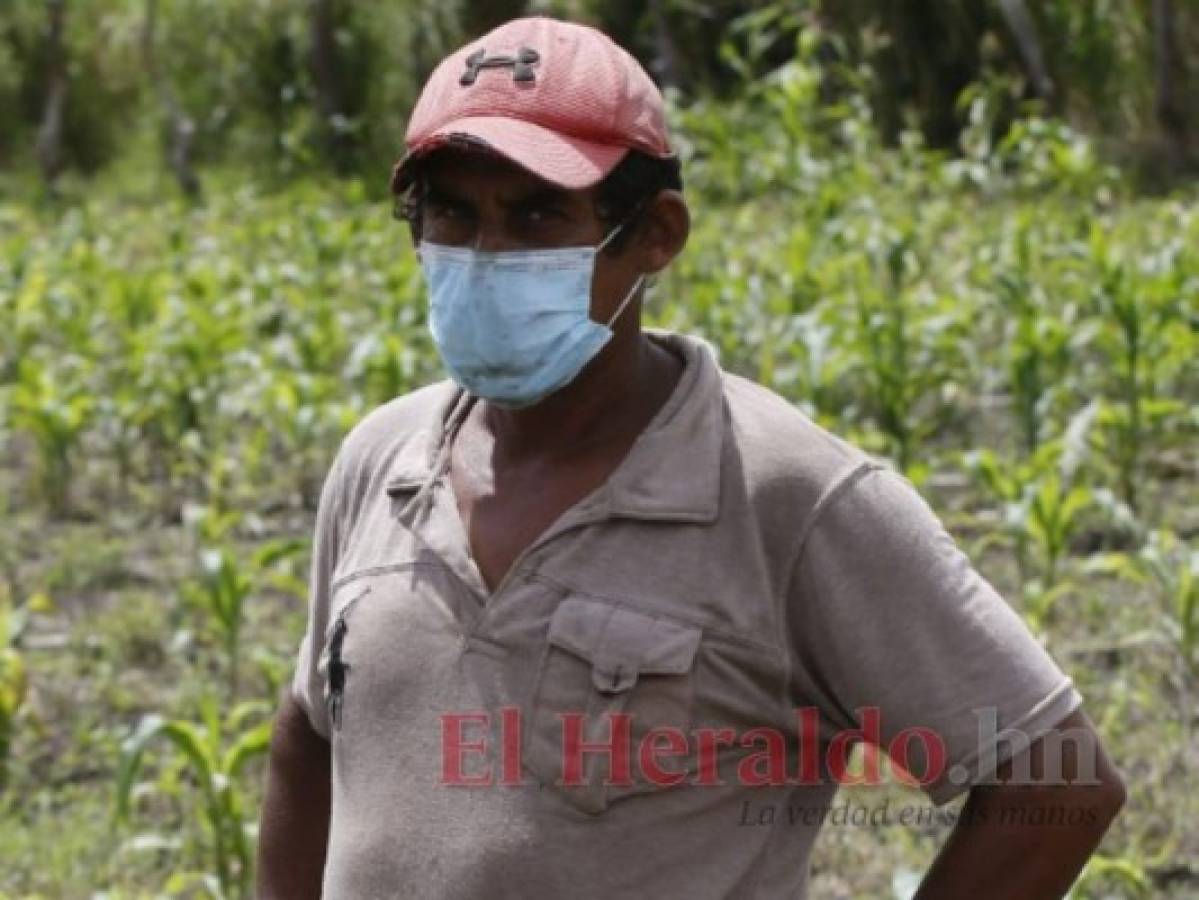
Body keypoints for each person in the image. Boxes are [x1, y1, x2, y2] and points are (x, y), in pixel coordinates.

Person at [257, 16, 1125, 899]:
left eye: (536, 215)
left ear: (655, 234)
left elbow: (1054, 781)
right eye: (452, 212)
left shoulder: (784, 494)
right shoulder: (383, 459)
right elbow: (310, 732)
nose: (485, 257)